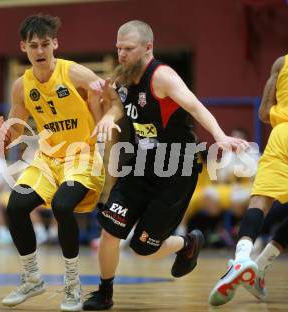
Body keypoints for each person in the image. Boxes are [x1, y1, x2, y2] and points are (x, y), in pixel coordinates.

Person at [83, 20, 249, 310]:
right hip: (139, 164)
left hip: (176, 168)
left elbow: (195, 105)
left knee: (143, 249)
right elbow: (119, 105)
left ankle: (187, 244)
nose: (121, 54)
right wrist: (108, 111)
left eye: (128, 48)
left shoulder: (162, 77)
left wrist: (220, 135)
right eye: (118, 47)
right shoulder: (122, 77)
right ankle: (104, 292)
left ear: (148, 48)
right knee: (110, 231)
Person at [0, 14, 122, 311]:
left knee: (61, 205)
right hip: (47, 158)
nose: (40, 51)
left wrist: (106, 114)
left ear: (55, 43)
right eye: (34, 46)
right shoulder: (21, 86)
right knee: (15, 207)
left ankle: (72, 284)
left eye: (46, 44)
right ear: (24, 47)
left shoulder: (75, 73)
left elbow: (115, 100)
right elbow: (17, 130)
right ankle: (32, 278)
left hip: (82, 156)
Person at [208, 22, 288, 306]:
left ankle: (242, 259)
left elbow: (265, 113)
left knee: (261, 200)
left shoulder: (283, 62)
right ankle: (262, 266)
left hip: (286, 134)